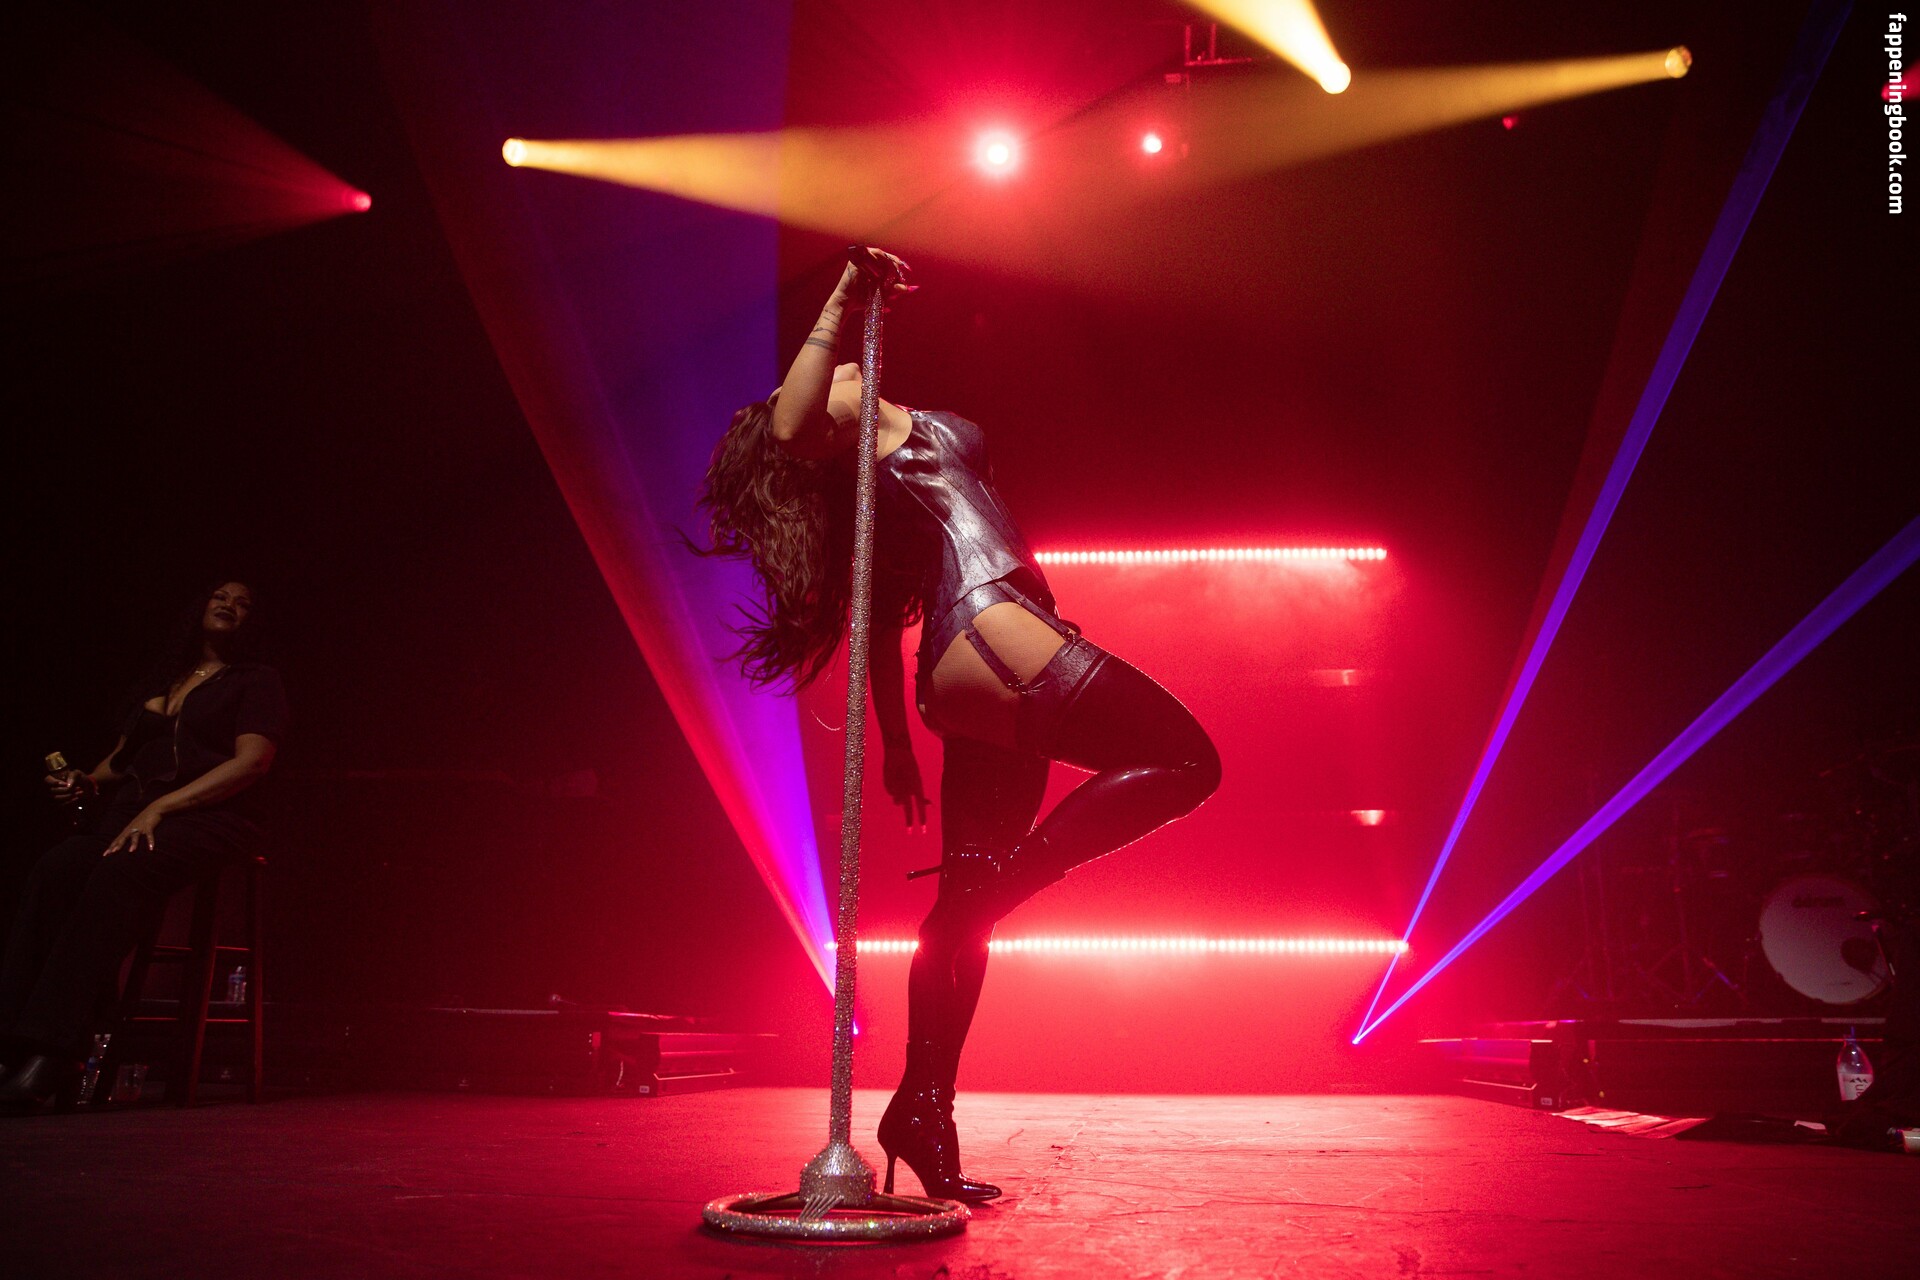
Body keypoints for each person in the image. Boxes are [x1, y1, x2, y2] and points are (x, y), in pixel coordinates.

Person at [698, 251, 1220, 1201]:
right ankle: (999, 894)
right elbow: (791, 423)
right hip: (992, 628)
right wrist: (842, 297)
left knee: (961, 918)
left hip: (974, 655)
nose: (829, 375)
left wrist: (900, 744)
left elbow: (879, 621)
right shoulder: (845, 433)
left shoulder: (887, 458)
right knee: (1186, 759)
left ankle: (922, 1110)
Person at [0, 579, 288, 1114]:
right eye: (220, 596)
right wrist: (87, 779)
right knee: (55, 869)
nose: (230, 605)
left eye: (244, 602)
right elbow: (124, 760)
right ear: (199, 606)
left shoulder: (255, 680)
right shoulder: (166, 679)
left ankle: (52, 1051)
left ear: (254, 621)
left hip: (212, 817)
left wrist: (162, 808)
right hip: (134, 814)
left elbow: (252, 763)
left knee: (118, 871)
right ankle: (10, 1046)